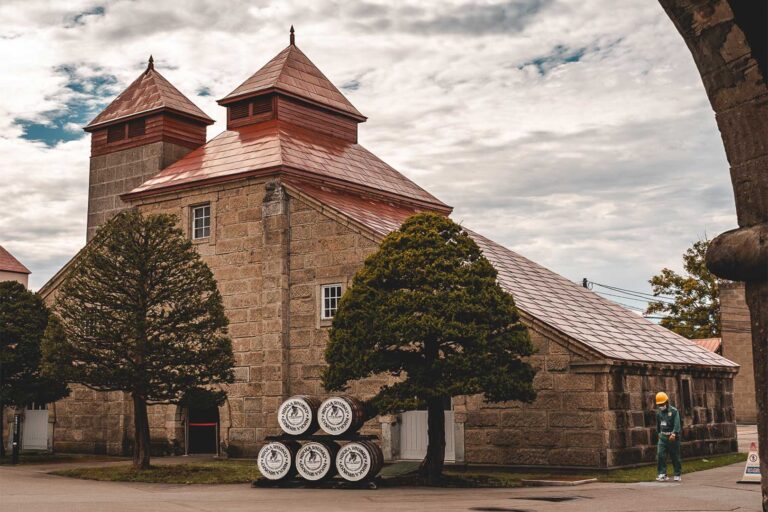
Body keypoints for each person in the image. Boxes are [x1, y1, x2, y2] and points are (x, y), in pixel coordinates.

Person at [655, 391, 682, 482]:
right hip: (663, 436)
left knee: (675, 456)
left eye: (662, 404)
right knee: (660, 455)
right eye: (659, 404)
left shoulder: (674, 411)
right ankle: (662, 474)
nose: (661, 406)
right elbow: (658, 425)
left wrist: (674, 433)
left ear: (666, 402)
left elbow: (677, 423)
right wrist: (659, 434)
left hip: (672, 437)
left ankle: (677, 473)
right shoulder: (658, 413)